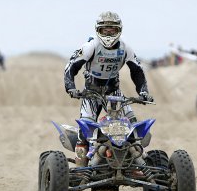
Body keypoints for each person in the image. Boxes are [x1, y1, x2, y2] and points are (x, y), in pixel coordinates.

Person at [64, 11, 154, 167]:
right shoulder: (90, 46)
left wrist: (143, 92)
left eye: (112, 29)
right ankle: (81, 164)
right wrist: (71, 87)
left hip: (114, 93)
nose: (108, 33)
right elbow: (71, 66)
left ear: (119, 30)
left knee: (132, 128)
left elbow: (137, 71)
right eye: (105, 29)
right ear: (98, 30)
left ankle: (136, 163)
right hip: (91, 93)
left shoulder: (126, 48)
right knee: (85, 130)